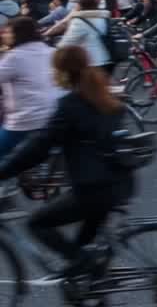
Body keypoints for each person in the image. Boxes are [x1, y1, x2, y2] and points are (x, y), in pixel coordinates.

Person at [0, 46, 135, 280]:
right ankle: (91, 286)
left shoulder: (71, 105)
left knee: (37, 223)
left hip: (92, 189)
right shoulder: (105, 96)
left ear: (62, 73)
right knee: (83, 256)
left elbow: (39, 147)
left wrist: (4, 170)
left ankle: (87, 266)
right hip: (120, 183)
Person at [0, 18, 60, 160]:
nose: (3, 35)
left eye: (7, 32)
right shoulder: (51, 51)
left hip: (27, 119)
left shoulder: (15, 57)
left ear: (18, 34)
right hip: (53, 114)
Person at [56, 0, 115, 78]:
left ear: (80, 6)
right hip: (106, 59)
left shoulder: (79, 21)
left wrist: (57, 47)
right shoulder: (103, 18)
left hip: (90, 63)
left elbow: (67, 42)